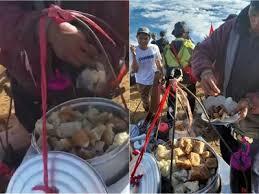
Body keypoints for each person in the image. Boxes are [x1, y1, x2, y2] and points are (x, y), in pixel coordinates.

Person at [0, 1, 128, 133]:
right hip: (34, 94)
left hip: (93, 96)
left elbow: (121, 23)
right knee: (34, 135)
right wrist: (48, 29)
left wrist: (108, 57)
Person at [191, 1, 259, 192]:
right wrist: (204, 71)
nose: (255, 24)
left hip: (255, 124)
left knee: (253, 171)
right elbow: (202, 50)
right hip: (227, 117)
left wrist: (251, 102)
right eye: (254, 15)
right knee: (231, 159)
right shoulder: (232, 27)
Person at [163, 21, 196, 128]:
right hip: (187, 79)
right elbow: (196, 62)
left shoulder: (167, 48)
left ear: (175, 34)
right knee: (190, 96)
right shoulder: (190, 46)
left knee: (172, 99)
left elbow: (165, 66)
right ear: (184, 33)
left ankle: (170, 120)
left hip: (172, 79)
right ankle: (189, 117)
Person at [130, 27, 163, 112]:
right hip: (141, 81)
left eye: (146, 38)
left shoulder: (154, 48)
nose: (143, 41)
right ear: (136, 37)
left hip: (154, 79)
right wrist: (134, 55)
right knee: (145, 101)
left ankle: (155, 114)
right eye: (140, 38)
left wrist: (161, 74)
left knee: (155, 99)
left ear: (149, 38)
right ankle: (147, 111)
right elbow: (135, 70)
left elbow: (158, 62)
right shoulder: (134, 50)